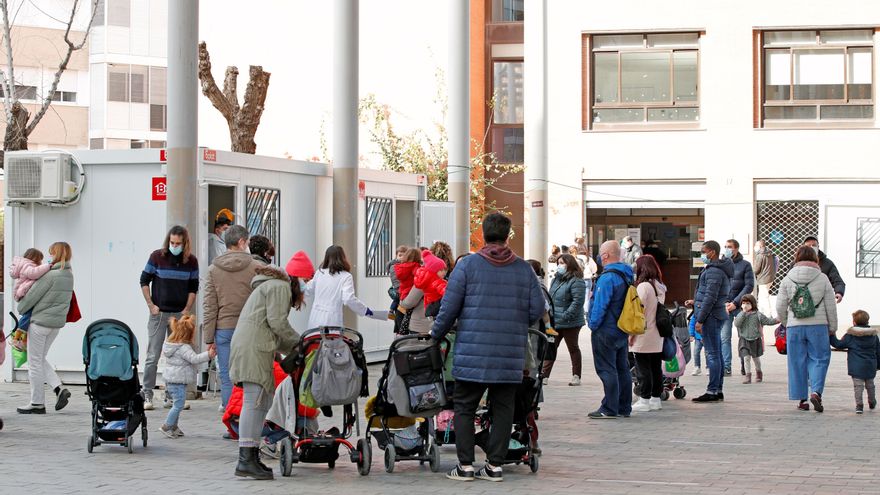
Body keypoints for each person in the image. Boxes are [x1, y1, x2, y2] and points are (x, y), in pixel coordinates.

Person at [431, 213, 544, 482]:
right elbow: (538, 308)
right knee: (503, 408)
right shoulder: (523, 269)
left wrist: (436, 335)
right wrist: (516, 322)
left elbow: (448, 308)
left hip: (473, 352)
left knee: (465, 407)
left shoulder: (467, 266)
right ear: (507, 236)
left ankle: (466, 466)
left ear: (483, 234)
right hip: (509, 353)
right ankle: (495, 466)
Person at [229, 260, 303, 480]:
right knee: (255, 403)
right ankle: (245, 460)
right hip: (254, 348)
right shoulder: (280, 287)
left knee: (258, 403)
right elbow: (278, 323)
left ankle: (250, 457)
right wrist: (301, 343)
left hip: (251, 345)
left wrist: (293, 346)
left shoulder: (268, 286)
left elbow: (271, 328)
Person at [139, 226, 199, 410]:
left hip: (179, 315)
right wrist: (151, 305)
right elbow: (143, 280)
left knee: (177, 358)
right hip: (160, 313)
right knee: (153, 355)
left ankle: (171, 396)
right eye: (172, 243)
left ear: (185, 243)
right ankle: (147, 393)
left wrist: (187, 309)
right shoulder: (157, 256)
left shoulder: (191, 261)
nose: (174, 246)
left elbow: (193, 287)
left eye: (178, 243)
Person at [203, 225, 261, 414]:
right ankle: (249, 418)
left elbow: (210, 307)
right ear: (242, 242)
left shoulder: (213, 270)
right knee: (250, 375)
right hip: (250, 329)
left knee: (227, 376)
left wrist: (209, 339)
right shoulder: (257, 267)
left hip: (223, 330)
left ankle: (232, 420)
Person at [776, 246, 838, 413]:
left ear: (797, 258)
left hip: (795, 327)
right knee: (819, 358)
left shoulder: (787, 278)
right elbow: (831, 306)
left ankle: (802, 400)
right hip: (818, 326)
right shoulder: (823, 278)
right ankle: (816, 392)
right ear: (815, 259)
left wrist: (786, 321)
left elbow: (780, 305)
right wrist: (832, 327)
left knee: (796, 362)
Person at [15, 242, 74, 414]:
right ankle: (58, 388)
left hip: (39, 324)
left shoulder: (49, 275)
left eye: (50, 253)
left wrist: (20, 307)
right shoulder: (69, 274)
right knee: (39, 359)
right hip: (55, 325)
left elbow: (29, 300)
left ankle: (37, 403)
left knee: (34, 362)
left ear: (55, 254)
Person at [587, 240, 634, 419]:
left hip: (606, 329)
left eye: (601, 253)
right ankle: (624, 406)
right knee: (622, 368)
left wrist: (592, 324)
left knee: (607, 369)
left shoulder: (607, 278)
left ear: (605, 255)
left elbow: (600, 306)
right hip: (621, 328)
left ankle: (609, 408)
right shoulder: (626, 274)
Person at [686, 240, 733, 403]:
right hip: (715, 314)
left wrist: (700, 319)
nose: (702, 254)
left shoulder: (714, 271)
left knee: (712, 354)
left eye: (704, 251)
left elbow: (710, 297)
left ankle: (712, 390)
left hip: (711, 316)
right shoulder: (717, 269)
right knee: (717, 352)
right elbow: (709, 294)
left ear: (712, 252)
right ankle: (717, 389)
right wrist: (695, 302)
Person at [160, 315, 216, 438]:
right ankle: (167, 426)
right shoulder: (183, 347)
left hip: (170, 380)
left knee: (176, 404)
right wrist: (209, 354)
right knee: (178, 405)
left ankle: (174, 426)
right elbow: (194, 359)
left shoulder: (169, 345)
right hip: (178, 381)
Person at [305, 245, 385, 328]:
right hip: (332, 321)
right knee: (332, 340)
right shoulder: (346, 276)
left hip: (315, 319)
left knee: (313, 340)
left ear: (326, 257)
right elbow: (348, 299)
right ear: (342, 258)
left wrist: (295, 282)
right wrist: (365, 311)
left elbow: (307, 289)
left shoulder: (319, 273)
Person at [630, 255, 667, 413]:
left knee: (642, 367)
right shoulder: (659, 286)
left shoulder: (643, 287)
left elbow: (638, 312)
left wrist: (631, 335)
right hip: (657, 333)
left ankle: (644, 399)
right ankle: (655, 399)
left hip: (643, 333)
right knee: (655, 367)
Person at [542, 254, 586, 387]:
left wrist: (566, 315)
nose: (559, 266)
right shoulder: (557, 279)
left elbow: (577, 301)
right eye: (558, 263)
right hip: (556, 320)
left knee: (573, 348)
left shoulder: (576, 280)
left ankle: (576, 375)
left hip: (570, 322)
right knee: (551, 347)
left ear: (569, 264)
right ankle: (544, 375)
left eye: (562, 263)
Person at [830, 310, 880, 414]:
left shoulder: (851, 335)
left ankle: (859, 406)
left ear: (854, 322)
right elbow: (878, 351)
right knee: (870, 384)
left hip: (856, 366)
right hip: (870, 365)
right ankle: (872, 401)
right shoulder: (874, 336)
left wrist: (831, 336)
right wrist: (878, 364)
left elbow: (839, 344)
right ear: (867, 321)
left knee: (858, 386)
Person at [720, 239, 755, 376]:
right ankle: (727, 366)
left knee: (743, 337)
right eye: (726, 247)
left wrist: (735, 302)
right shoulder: (720, 264)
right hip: (724, 306)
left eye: (730, 247)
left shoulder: (745, 265)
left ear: (737, 249)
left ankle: (744, 364)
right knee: (724, 337)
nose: (727, 249)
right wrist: (723, 302)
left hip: (740, 306)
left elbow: (748, 286)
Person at [733, 294, 777, 384]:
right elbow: (737, 324)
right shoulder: (741, 314)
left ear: (752, 304)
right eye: (743, 303)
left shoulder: (758, 315)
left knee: (756, 358)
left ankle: (759, 372)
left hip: (755, 339)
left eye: (748, 303)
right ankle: (748, 376)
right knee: (746, 358)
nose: (745, 305)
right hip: (744, 339)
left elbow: (767, 321)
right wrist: (743, 313)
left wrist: (777, 320)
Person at [9, 248, 53, 330]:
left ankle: (22, 331)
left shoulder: (27, 265)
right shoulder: (27, 266)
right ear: (35, 258)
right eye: (40, 259)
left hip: (24, 291)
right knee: (29, 313)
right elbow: (33, 274)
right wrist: (47, 266)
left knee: (29, 313)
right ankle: (19, 331)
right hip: (23, 292)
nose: (40, 262)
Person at [803, 236, 845, 303]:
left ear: (818, 246)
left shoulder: (827, 263)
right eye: (808, 246)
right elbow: (788, 281)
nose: (811, 247)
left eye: (814, 245)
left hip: (820, 302)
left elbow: (838, 281)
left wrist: (839, 292)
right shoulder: (796, 263)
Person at [414, 251, 448, 317]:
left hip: (430, 308)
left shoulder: (428, 281)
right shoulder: (437, 282)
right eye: (441, 270)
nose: (444, 272)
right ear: (434, 271)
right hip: (439, 307)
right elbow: (447, 293)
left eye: (445, 269)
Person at [752, 240, 777, 316]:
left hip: (763, 279)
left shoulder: (760, 255)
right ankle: (761, 311)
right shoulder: (769, 253)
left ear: (760, 246)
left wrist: (751, 271)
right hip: (770, 278)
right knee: (762, 295)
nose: (755, 247)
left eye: (756, 245)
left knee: (764, 296)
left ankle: (768, 314)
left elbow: (756, 269)